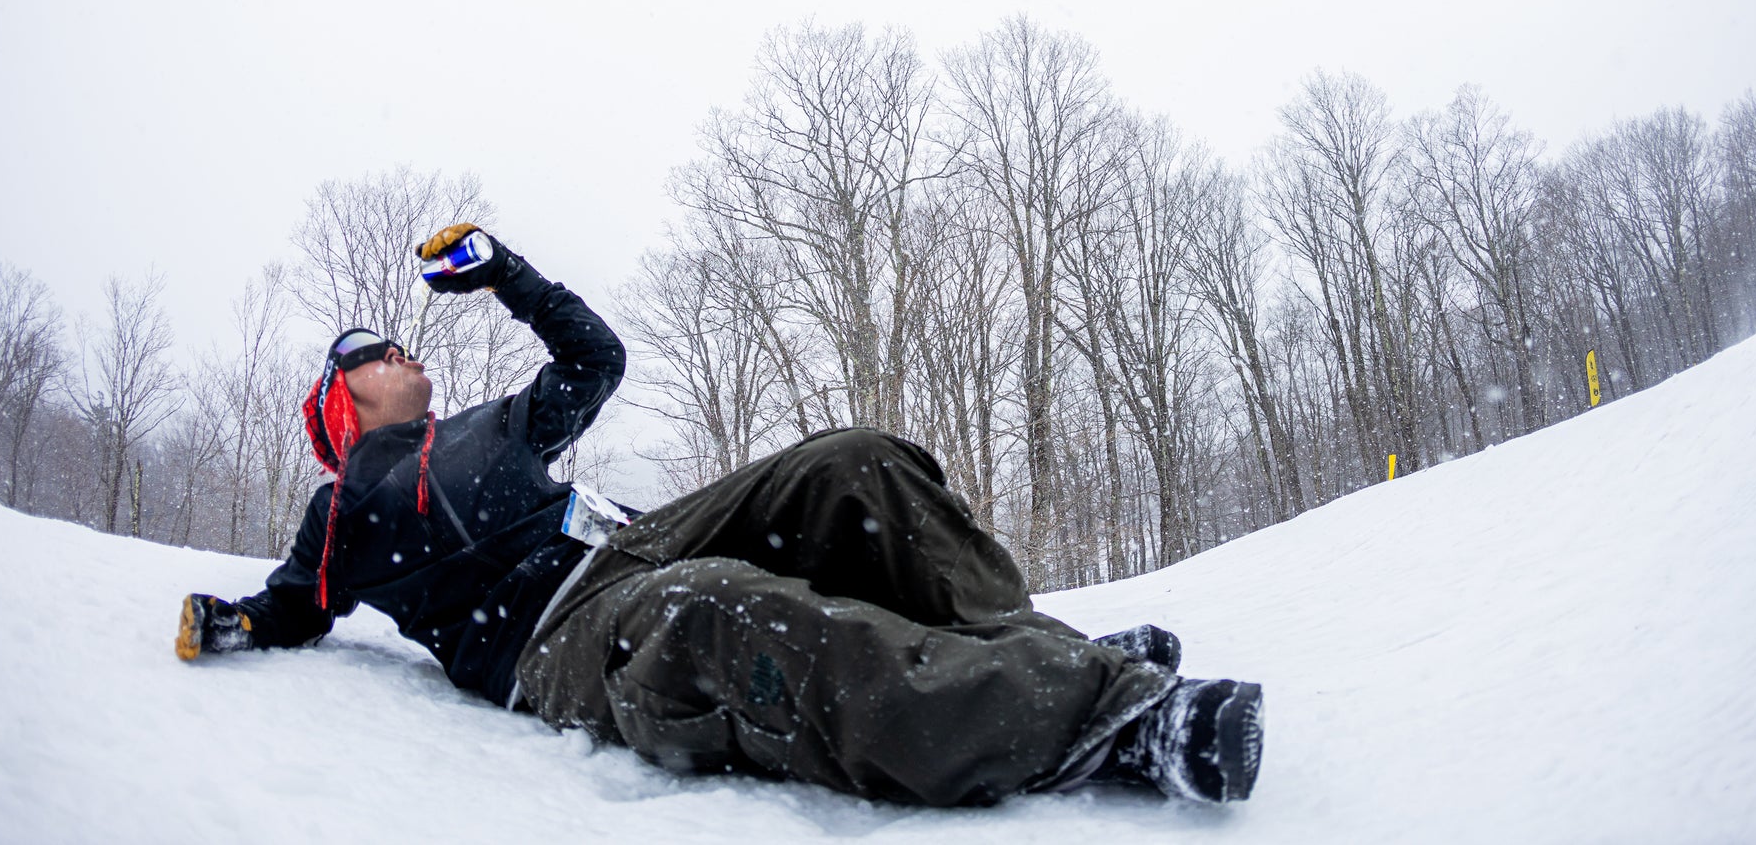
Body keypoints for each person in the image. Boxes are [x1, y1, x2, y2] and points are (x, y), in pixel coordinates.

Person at [177, 224, 1266, 806]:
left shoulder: (485, 425)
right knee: (715, 607)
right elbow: (287, 608)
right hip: (559, 637)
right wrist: (225, 623)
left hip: (640, 541)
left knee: (853, 462)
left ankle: (1034, 653)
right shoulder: (345, 509)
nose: (398, 352)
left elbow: (593, 358)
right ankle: (1103, 722)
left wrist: (506, 274)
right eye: (372, 355)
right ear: (338, 405)